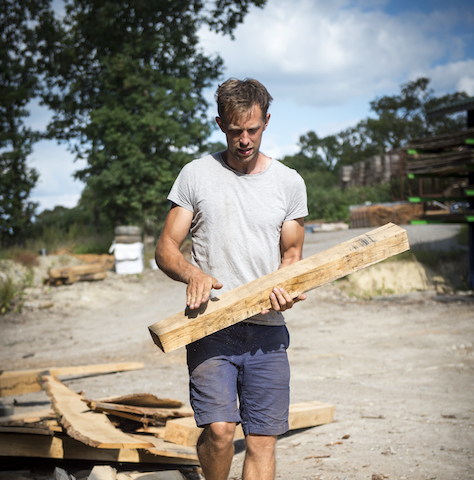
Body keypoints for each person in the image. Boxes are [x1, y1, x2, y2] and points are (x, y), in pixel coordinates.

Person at [155, 78, 308, 480]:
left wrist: (287, 287)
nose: (244, 139)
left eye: (253, 130)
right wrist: (192, 273)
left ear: (267, 122)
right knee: (220, 432)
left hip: (268, 332)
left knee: (261, 440)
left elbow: (292, 255)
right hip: (211, 328)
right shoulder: (196, 175)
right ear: (220, 123)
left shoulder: (288, 182)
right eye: (235, 130)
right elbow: (166, 248)